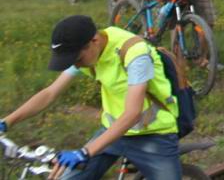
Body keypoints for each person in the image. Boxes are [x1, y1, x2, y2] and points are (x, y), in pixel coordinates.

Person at [0, 15, 182, 179]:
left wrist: (85, 152)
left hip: (153, 135)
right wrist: (6, 122)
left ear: (94, 41)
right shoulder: (85, 53)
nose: (76, 65)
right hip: (112, 131)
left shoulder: (134, 53)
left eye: (77, 59)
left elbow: (133, 113)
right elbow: (50, 93)